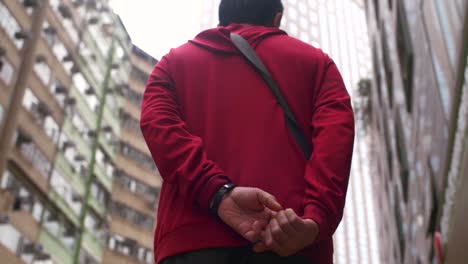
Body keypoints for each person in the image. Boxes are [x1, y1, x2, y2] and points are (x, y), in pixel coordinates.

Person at [140, 0, 355, 263]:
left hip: (192, 243)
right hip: (292, 241)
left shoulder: (172, 65)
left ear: (222, 19)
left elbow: (158, 126)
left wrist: (217, 192)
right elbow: (336, 144)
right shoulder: (319, 66)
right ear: (276, 19)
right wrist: (315, 219)